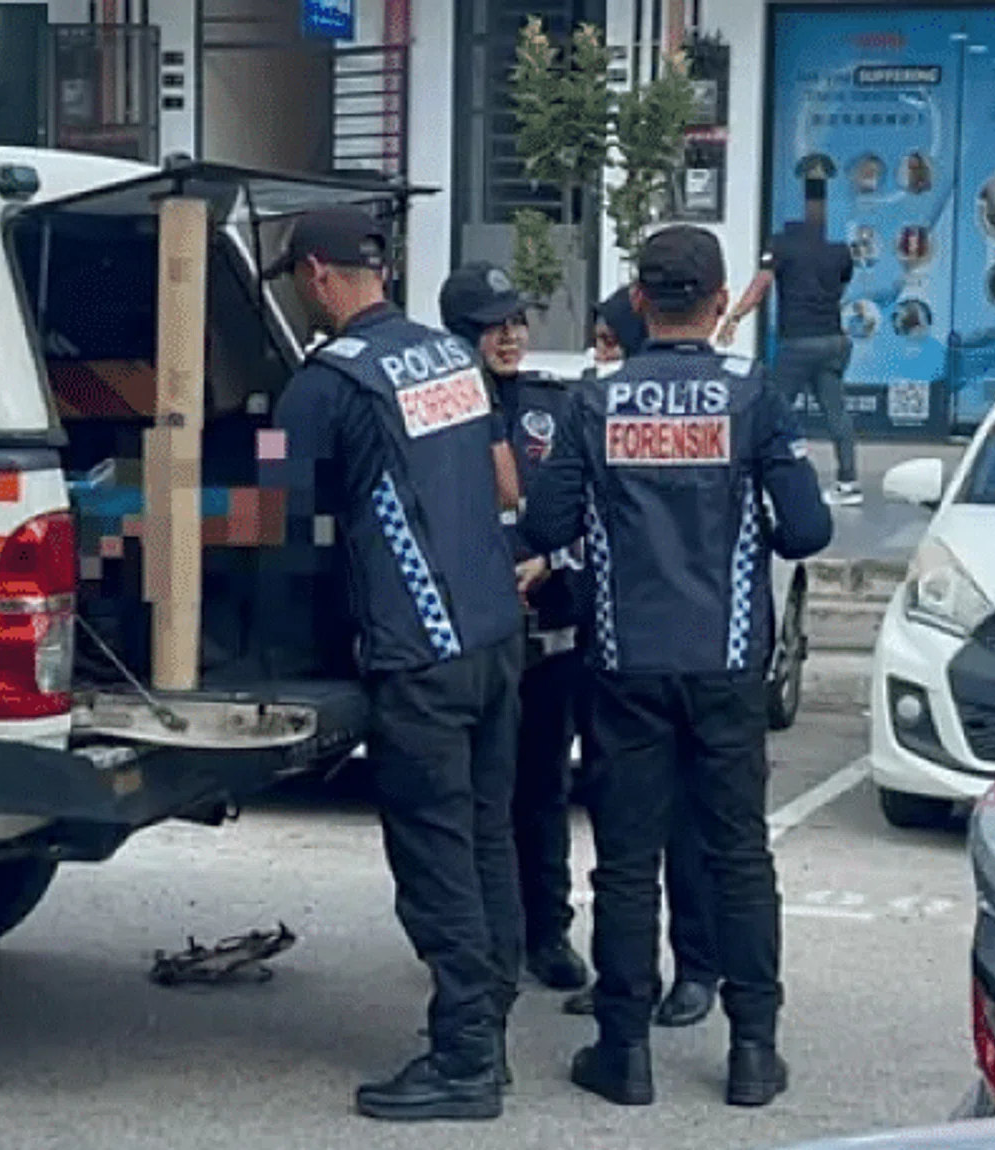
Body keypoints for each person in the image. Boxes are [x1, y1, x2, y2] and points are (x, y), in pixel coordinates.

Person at [521, 225, 833, 1109]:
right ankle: (751, 1055)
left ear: (642, 300)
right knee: (738, 856)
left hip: (624, 662)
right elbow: (808, 530)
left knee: (625, 862)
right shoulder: (752, 395)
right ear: (720, 294)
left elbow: (545, 526)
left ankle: (622, 1054)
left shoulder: (597, 399)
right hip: (729, 663)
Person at [268, 207, 526, 1123]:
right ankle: (488, 1026)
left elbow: (275, 509)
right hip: (496, 637)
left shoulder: (326, 380)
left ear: (316, 275)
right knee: (487, 836)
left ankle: (463, 1061)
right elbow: (495, 482)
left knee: (434, 856)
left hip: (419, 651)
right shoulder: (448, 355)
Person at [562, 285, 722, 1031]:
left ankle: (696, 969)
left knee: (684, 832)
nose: (598, 355)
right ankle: (626, 975)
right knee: (623, 837)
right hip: (622, 647)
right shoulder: (595, 410)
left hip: (690, 650)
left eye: (604, 340)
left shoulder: (697, 405)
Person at [438, 262, 591, 995]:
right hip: (467, 636)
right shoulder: (436, 410)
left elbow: (585, 506)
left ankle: (547, 932)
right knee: (472, 797)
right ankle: (476, 938)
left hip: (546, 637)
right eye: (494, 325)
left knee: (542, 791)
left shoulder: (552, 406)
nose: (511, 336)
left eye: (518, 322)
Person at [718, 177, 862, 506]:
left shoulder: (782, 243)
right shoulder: (839, 248)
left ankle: (762, 483)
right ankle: (848, 483)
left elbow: (761, 284)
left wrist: (735, 317)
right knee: (836, 412)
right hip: (833, 340)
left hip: (799, 341)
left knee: (772, 410)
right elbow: (841, 286)